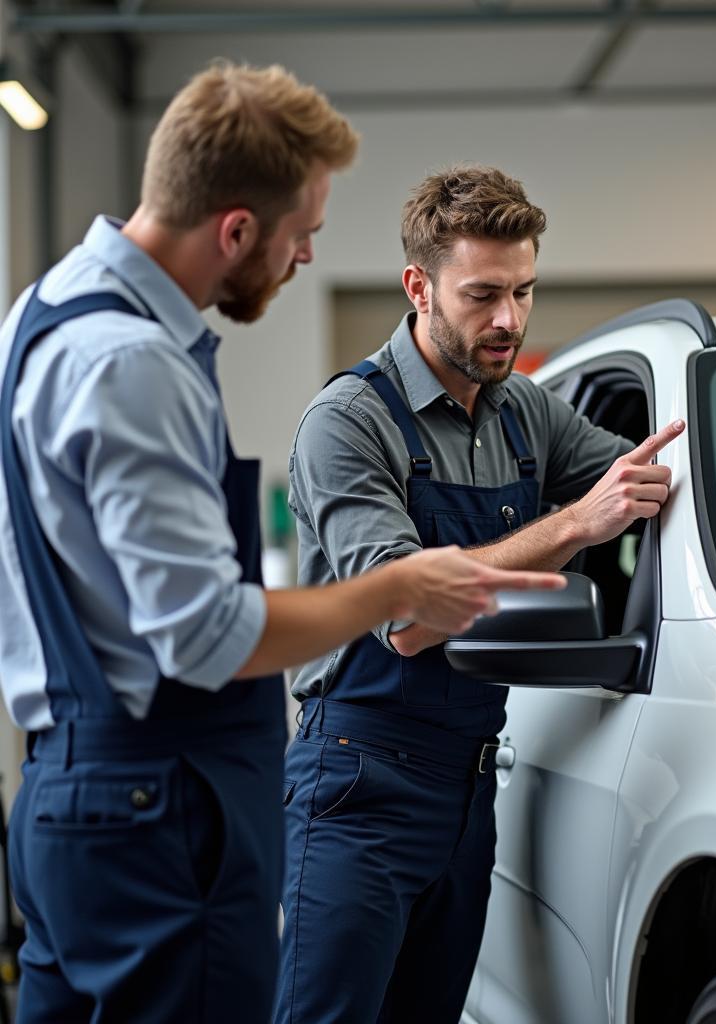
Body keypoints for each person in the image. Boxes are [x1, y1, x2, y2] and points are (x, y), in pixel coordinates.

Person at [0, 68, 563, 1024]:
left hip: (77, 788)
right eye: (302, 234)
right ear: (236, 231)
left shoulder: (44, 311)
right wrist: (399, 589)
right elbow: (207, 635)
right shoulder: (135, 364)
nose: (305, 257)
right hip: (156, 800)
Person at [275, 164, 685, 1023]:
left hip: (469, 790)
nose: (509, 320)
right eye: (483, 295)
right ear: (418, 287)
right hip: (358, 781)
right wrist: (574, 525)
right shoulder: (348, 424)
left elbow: (651, 480)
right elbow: (409, 620)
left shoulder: (524, 412)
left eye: (525, 292)